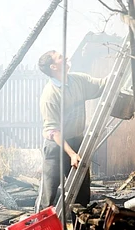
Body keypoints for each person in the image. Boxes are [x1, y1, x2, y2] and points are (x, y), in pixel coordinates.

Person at [35, 50, 106, 214]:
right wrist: (72, 154)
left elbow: (102, 84)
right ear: (53, 67)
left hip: (77, 142)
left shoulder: (77, 80)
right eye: (60, 57)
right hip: (56, 147)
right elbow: (54, 131)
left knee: (81, 194)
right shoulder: (50, 95)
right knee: (49, 195)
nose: (66, 57)